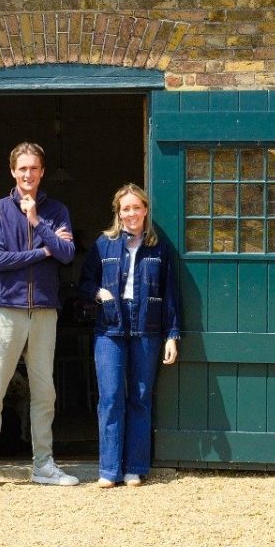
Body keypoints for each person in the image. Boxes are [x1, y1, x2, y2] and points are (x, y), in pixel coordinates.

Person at [0, 142, 78, 490]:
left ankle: (43, 464)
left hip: (44, 310)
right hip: (7, 309)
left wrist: (37, 223)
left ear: (42, 171)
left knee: (44, 392)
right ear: (12, 171)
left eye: (34, 168)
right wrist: (43, 251)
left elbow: (67, 253)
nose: (28, 174)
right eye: (22, 168)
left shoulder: (56, 210)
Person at [78, 183, 180, 488]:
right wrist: (100, 293)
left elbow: (170, 294)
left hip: (147, 328)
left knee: (140, 398)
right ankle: (109, 470)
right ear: (118, 213)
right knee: (110, 398)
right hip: (110, 327)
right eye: (126, 208)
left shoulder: (159, 247)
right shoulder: (103, 244)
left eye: (137, 207)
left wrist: (172, 335)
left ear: (145, 210)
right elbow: (85, 282)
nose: (131, 213)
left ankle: (135, 468)